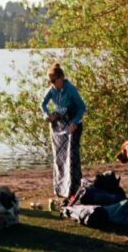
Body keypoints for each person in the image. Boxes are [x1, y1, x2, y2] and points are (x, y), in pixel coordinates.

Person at [40, 62, 86, 199]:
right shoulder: (52, 89)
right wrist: (47, 115)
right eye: (49, 81)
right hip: (58, 127)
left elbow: (82, 107)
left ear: (61, 78)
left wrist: (75, 121)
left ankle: (73, 189)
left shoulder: (70, 89)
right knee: (59, 159)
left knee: (71, 158)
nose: (52, 83)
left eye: (53, 81)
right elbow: (42, 104)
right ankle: (60, 189)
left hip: (72, 125)